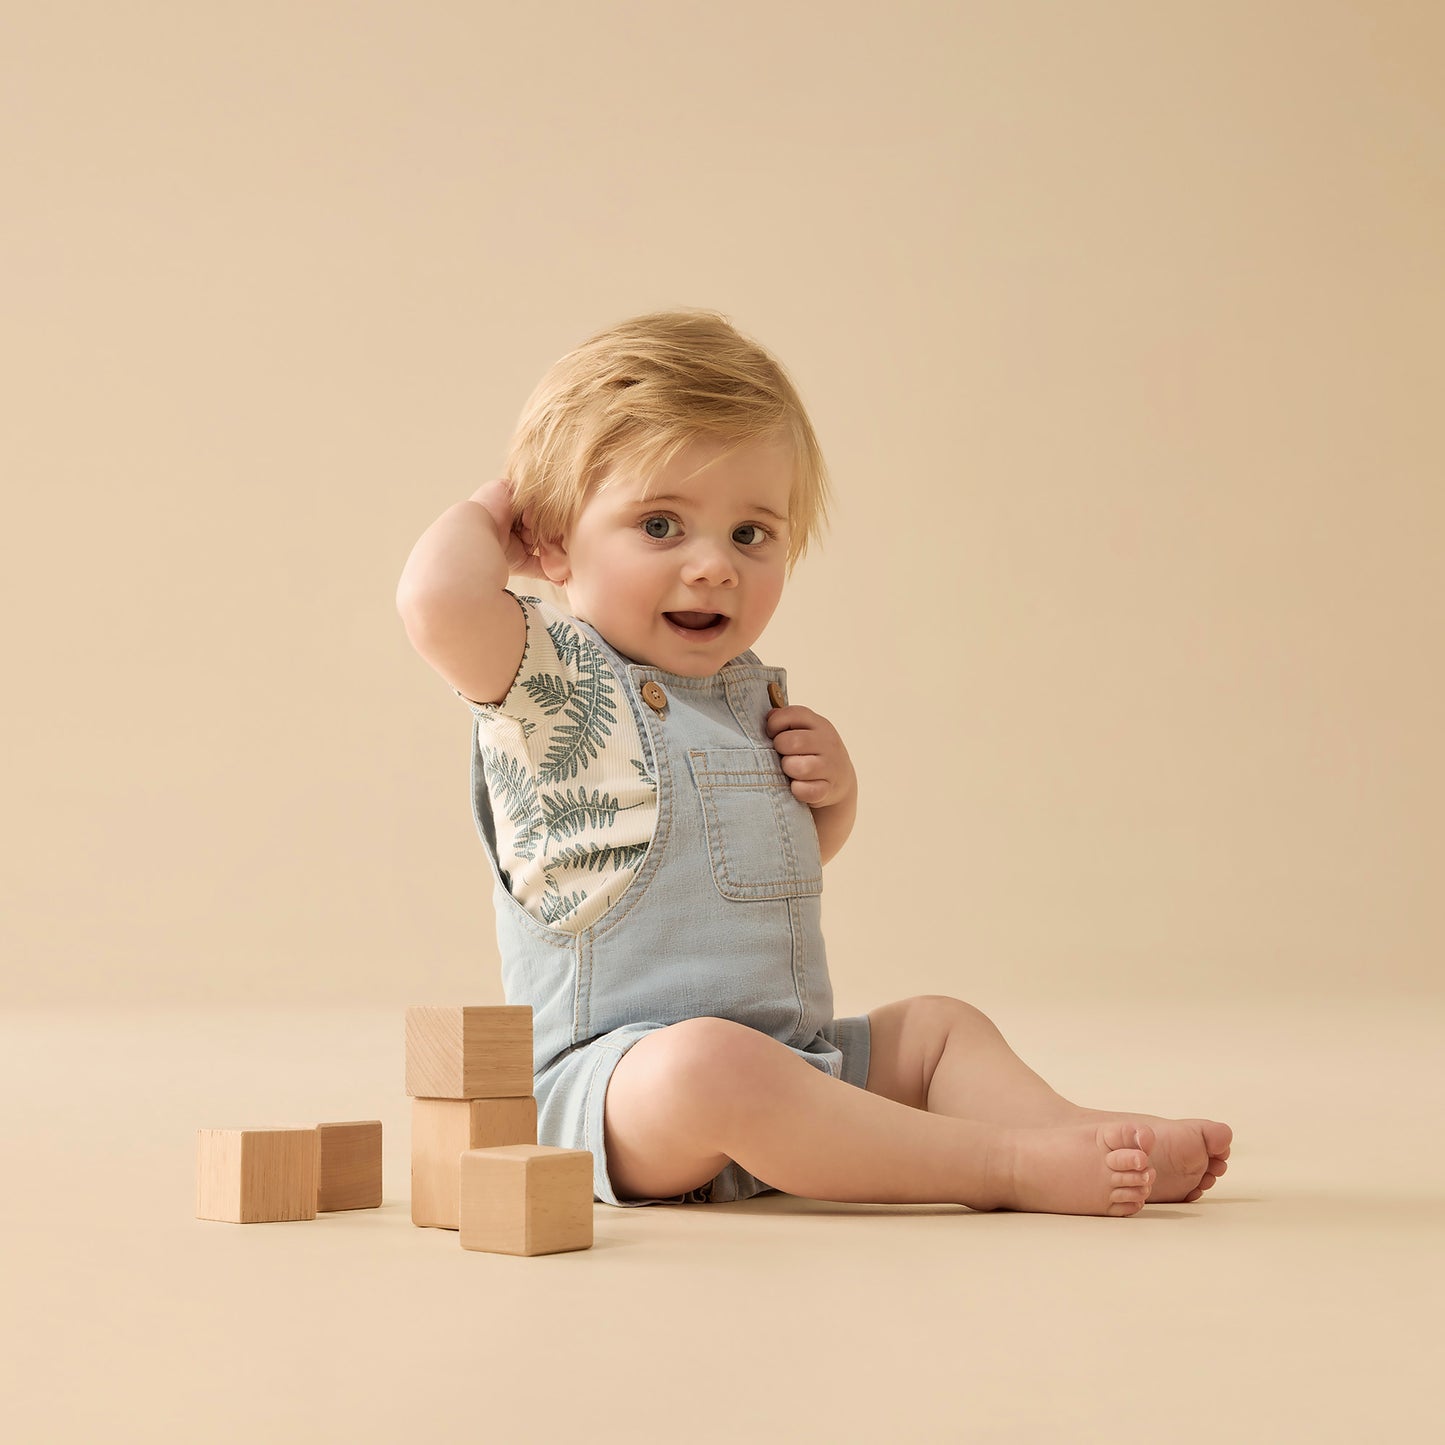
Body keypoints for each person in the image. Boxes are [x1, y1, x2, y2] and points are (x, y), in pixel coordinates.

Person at [395, 308, 1232, 1216]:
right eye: (662, 524)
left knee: (940, 1028)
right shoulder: (547, 680)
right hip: (620, 1094)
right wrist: (493, 510)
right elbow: (436, 602)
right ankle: (1003, 1167)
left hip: (798, 1067)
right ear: (551, 538)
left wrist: (832, 802)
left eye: (750, 534)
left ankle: (1066, 1129)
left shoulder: (747, 696)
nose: (714, 566)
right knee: (713, 1061)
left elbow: (752, 871)